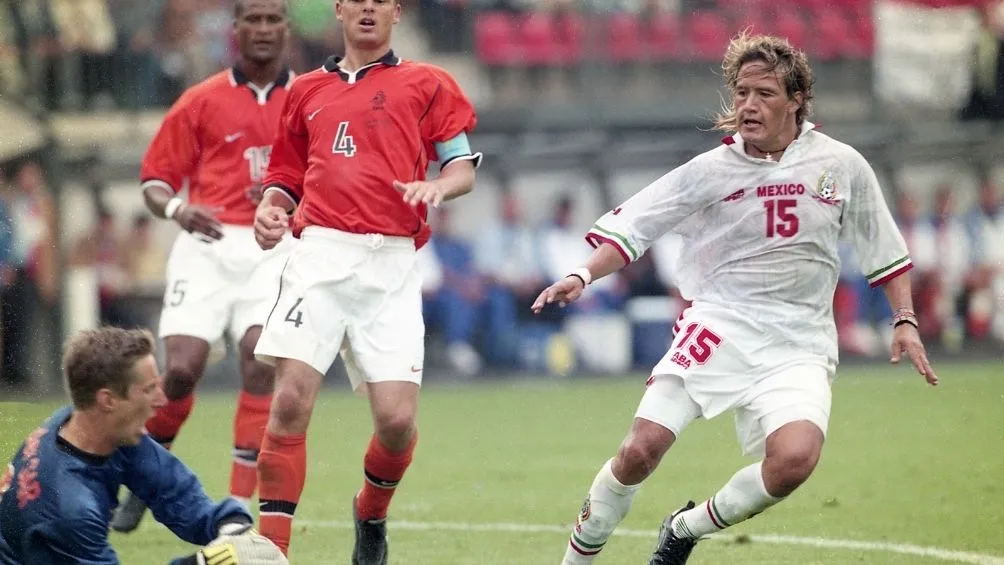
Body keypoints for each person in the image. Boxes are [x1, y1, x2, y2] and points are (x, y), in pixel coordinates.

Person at [531, 33, 938, 565]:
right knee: (638, 451)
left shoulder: (841, 166)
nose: (748, 104)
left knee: (794, 461)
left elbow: (884, 249)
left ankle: (684, 527)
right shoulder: (710, 170)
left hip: (799, 341)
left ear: (796, 99)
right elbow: (635, 228)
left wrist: (903, 319)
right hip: (719, 325)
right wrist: (582, 275)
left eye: (764, 93)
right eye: (741, 92)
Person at [250, 0, 481, 559]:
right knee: (288, 403)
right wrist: (271, 208)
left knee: (397, 422)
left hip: (393, 262)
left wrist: (439, 189)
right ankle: (272, 550)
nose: (369, 8)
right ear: (340, 10)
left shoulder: (429, 84)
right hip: (320, 256)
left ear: (396, 12)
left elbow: (461, 167)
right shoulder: (305, 90)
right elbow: (285, 175)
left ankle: (370, 513)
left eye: (381, 0)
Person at [111, 0, 296, 533]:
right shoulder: (201, 99)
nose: (263, 29)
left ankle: (236, 511)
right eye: (253, 20)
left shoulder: (309, 98)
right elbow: (154, 182)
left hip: (273, 245)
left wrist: (291, 196)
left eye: (273, 19)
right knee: (181, 370)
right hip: (207, 244)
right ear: (235, 29)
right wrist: (177, 209)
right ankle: (148, 482)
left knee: (260, 359)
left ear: (286, 27)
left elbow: (330, 172)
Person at [0, 327, 286, 565]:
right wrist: (206, 562)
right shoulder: (70, 509)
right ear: (108, 400)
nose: (162, 400)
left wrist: (230, 527)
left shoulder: (93, 426)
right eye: (149, 389)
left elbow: (172, 489)